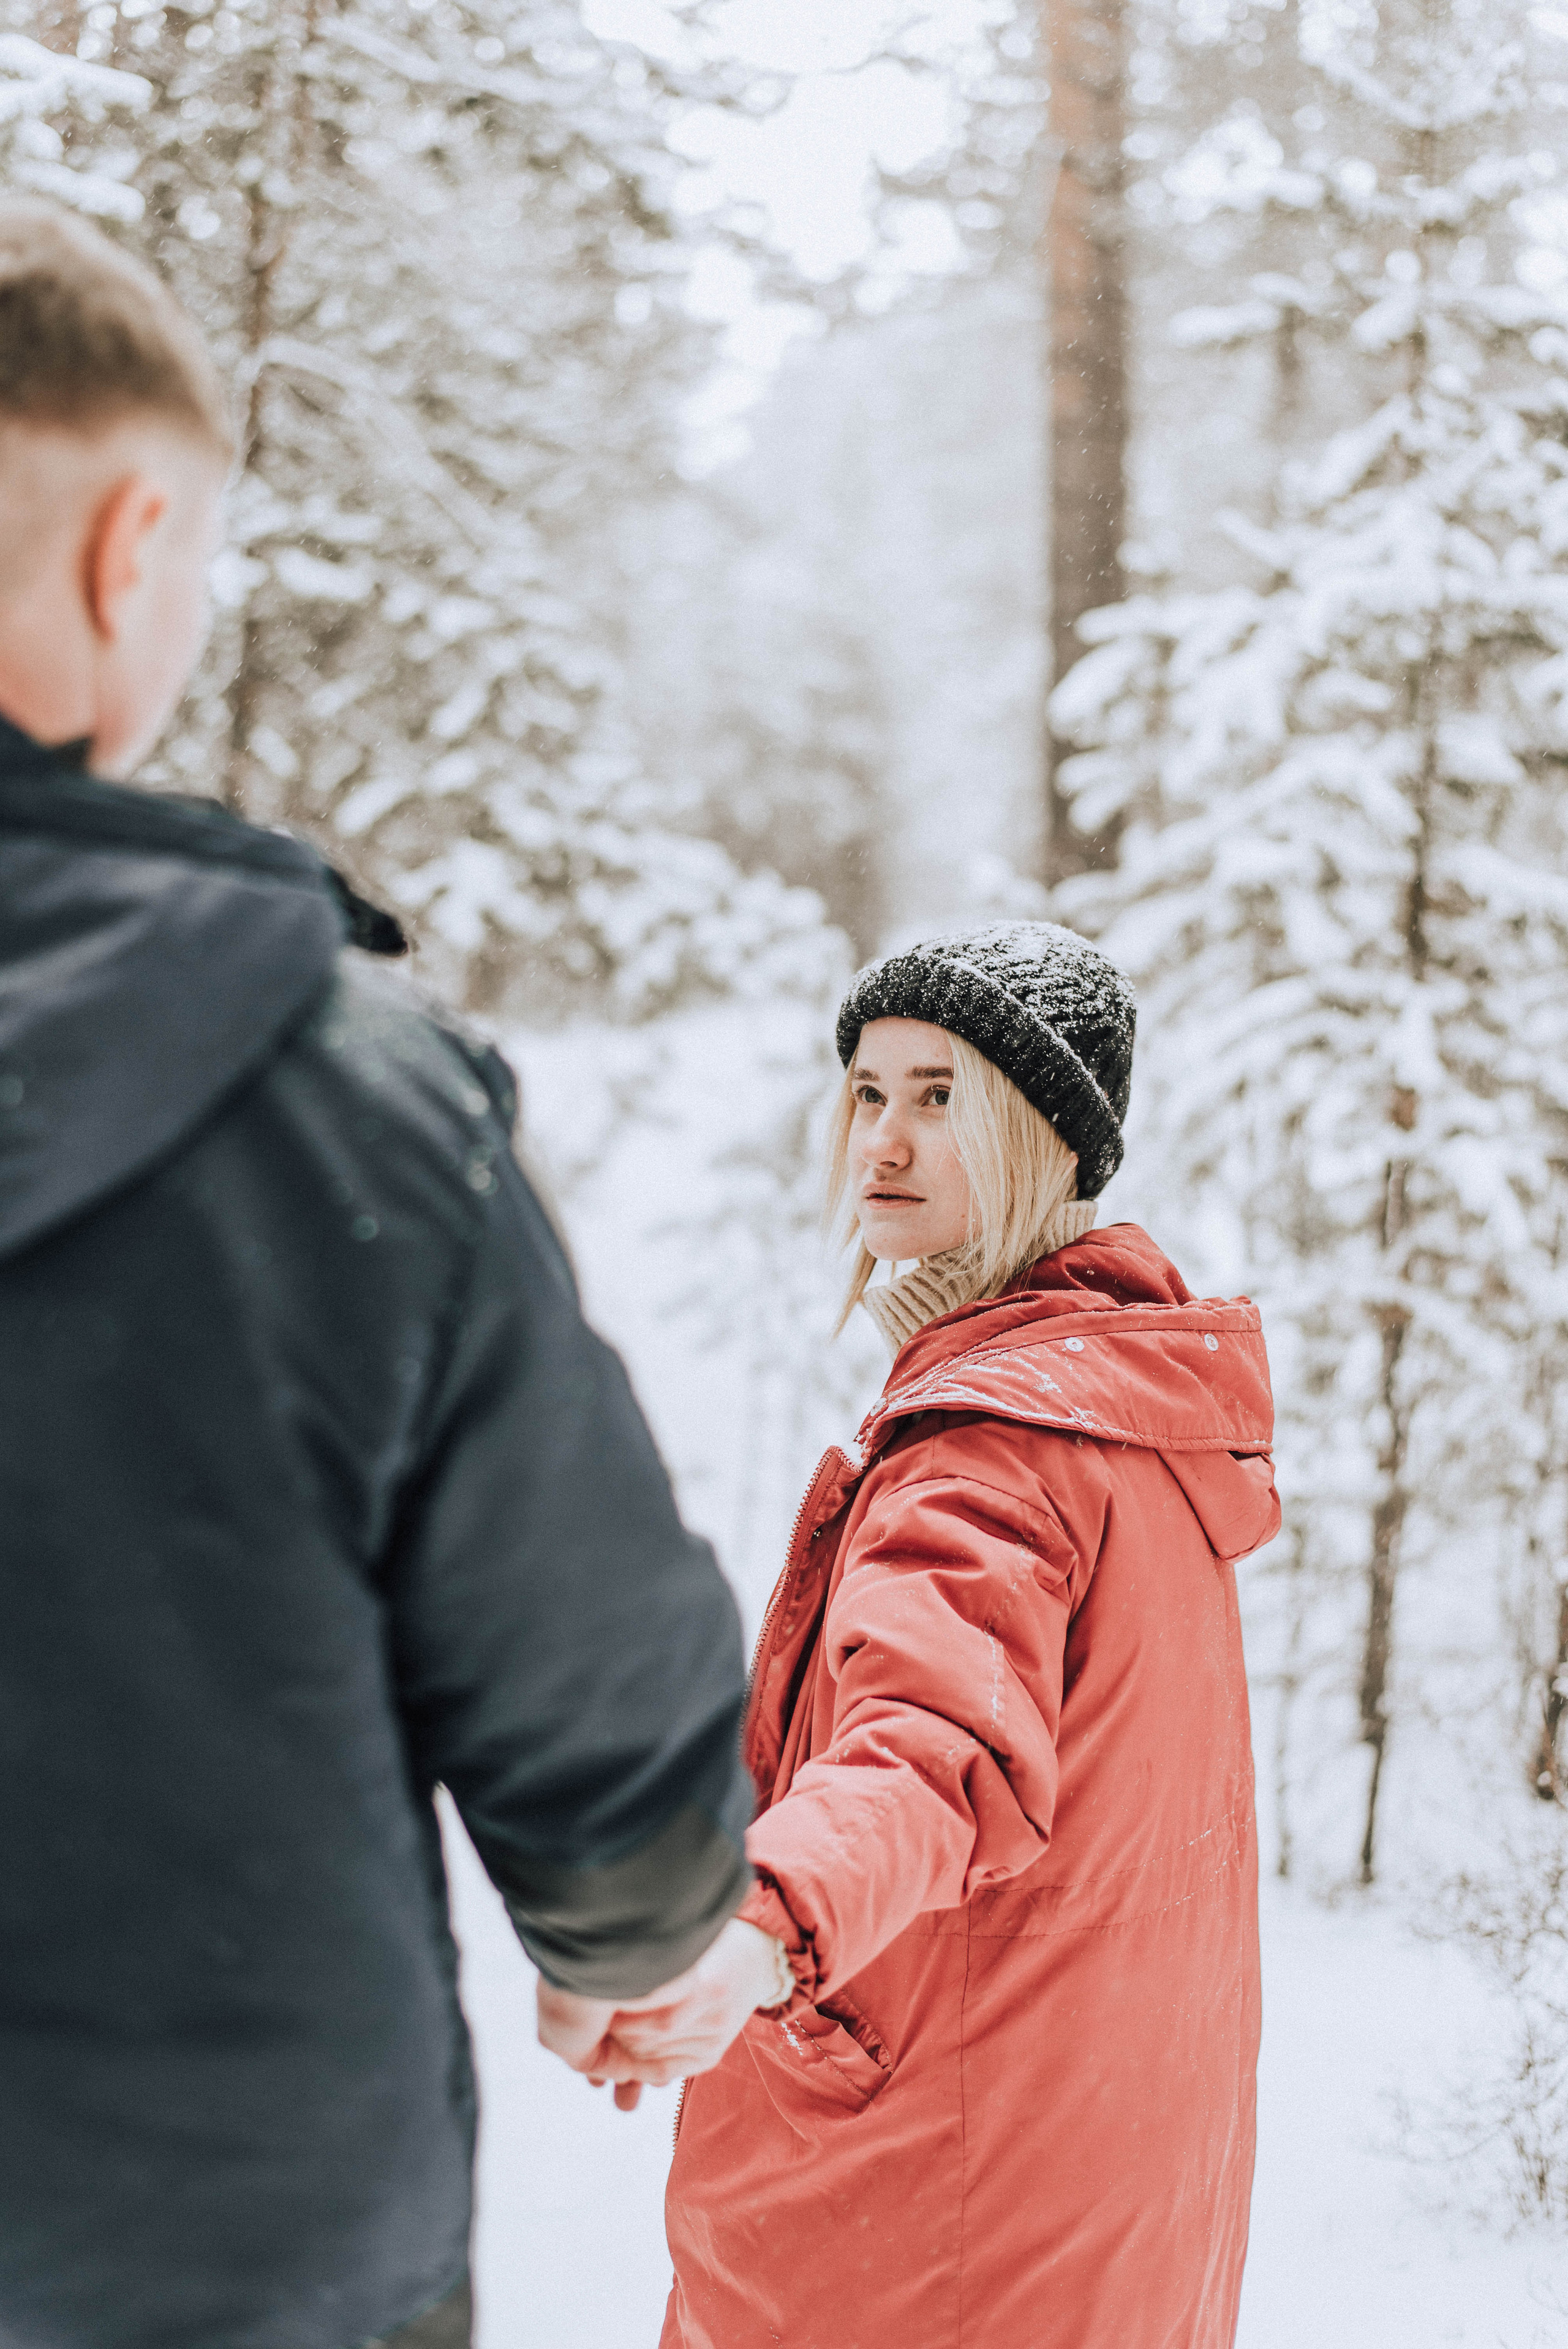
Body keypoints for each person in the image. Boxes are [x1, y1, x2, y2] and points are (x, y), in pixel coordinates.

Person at [0, 198, 780, 2349]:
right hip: (224, 2253)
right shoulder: (342, 1102)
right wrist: (634, 1946)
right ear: (123, 541)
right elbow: (596, 1699)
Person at [576, 923, 1280, 2348]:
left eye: (941, 1096)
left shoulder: (986, 1456)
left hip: (919, 2214)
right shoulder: (1130, 1411)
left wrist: (761, 1921)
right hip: (1088, 2170)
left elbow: (927, 1749)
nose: (883, 1141)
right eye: (867, 1091)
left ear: (1044, 1133)